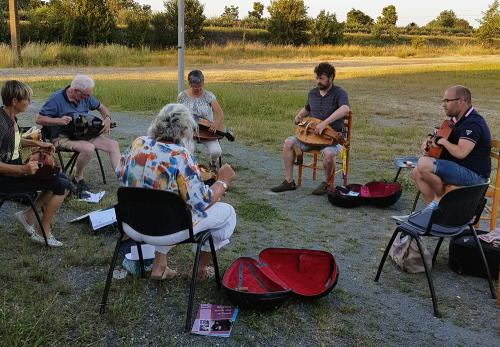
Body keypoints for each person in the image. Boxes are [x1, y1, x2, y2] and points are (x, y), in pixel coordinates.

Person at [116, 103, 237, 281]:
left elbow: (120, 172)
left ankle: (159, 266)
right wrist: (222, 181)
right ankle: (200, 270)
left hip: (132, 225)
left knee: (166, 203)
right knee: (227, 213)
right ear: (184, 131)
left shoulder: (138, 142)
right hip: (166, 229)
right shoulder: (180, 155)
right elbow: (202, 202)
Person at [0, 80, 70, 247]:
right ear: (14, 101)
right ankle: (41, 231)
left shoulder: (9, 117)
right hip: (6, 178)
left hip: (15, 172)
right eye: (27, 99)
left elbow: (15, 141)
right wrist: (23, 168)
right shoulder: (1, 125)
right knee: (62, 186)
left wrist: (38, 144)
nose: (30, 103)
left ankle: (29, 216)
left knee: (60, 178)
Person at [271, 62, 350, 195]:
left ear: (331, 78)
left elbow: (345, 109)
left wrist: (325, 123)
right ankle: (289, 181)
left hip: (331, 139)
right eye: (317, 78)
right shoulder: (313, 93)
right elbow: (307, 109)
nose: (318, 81)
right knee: (288, 142)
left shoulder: (340, 93)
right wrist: (299, 115)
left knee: (329, 154)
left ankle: (325, 183)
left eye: (321, 78)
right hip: (310, 137)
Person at [35, 74, 120, 195]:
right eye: (86, 95)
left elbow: (101, 108)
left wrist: (107, 118)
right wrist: (58, 121)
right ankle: (78, 177)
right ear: (76, 91)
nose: (88, 98)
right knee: (88, 148)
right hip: (62, 137)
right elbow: (39, 119)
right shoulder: (56, 99)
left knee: (113, 145)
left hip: (83, 134)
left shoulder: (86, 96)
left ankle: (123, 179)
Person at [411, 85, 491, 210]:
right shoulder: (454, 120)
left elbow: (461, 152)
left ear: (461, 101)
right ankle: (432, 214)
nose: (444, 104)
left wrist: (442, 141)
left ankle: (439, 202)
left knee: (424, 165)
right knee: (416, 172)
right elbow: (436, 139)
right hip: (459, 168)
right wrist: (429, 142)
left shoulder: (473, 123)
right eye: (443, 101)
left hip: (475, 176)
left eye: (447, 101)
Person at [177, 70, 225, 169]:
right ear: (190, 84)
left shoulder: (209, 96)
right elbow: (178, 114)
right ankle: (190, 169)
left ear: (203, 83)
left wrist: (215, 124)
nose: (198, 89)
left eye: (200, 86)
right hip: (189, 130)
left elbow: (219, 113)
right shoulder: (182, 96)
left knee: (216, 151)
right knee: (188, 150)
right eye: (195, 87)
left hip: (207, 130)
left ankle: (212, 164)